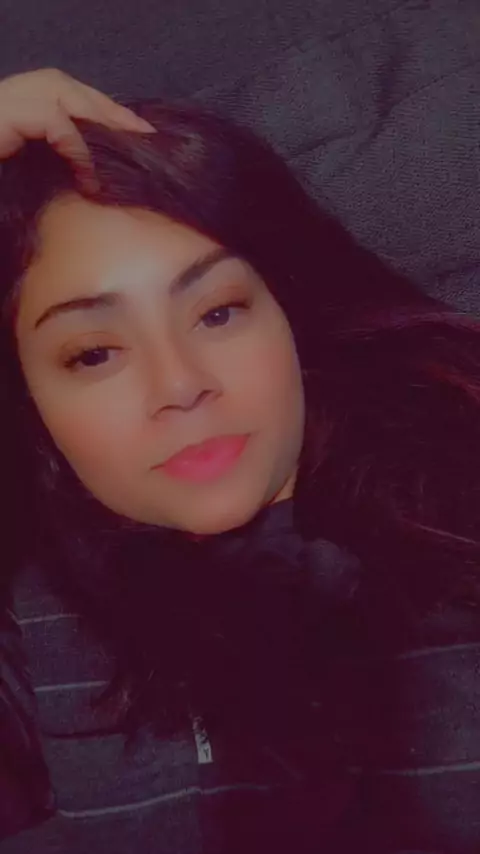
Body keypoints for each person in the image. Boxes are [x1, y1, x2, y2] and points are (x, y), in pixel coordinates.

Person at [0, 68, 479, 854]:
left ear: (289, 310)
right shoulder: (34, 619)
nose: (179, 385)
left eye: (218, 312)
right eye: (93, 354)